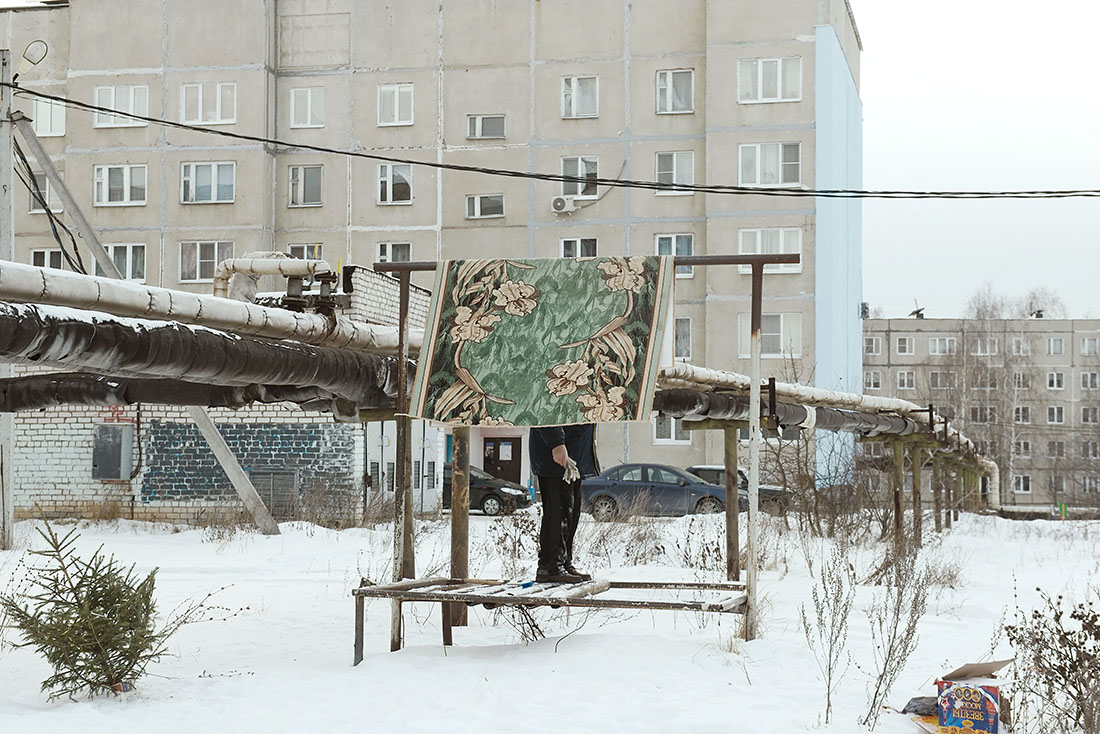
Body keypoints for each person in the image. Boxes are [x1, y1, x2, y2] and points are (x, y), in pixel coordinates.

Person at [529, 424, 599, 583]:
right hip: (557, 457)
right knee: (558, 513)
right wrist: (556, 443)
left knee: (571, 513)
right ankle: (551, 566)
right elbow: (546, 414)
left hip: (573, 454)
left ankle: (563, 562)